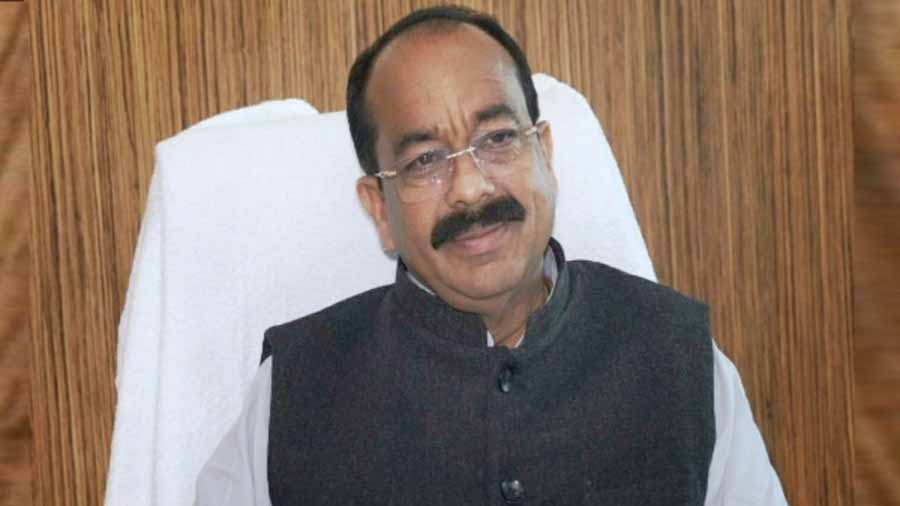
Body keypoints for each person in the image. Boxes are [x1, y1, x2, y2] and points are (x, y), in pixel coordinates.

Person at [195, 6, 788, 505]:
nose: (471, 189)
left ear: (545, 153)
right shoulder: (295, 392)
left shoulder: (679, 358)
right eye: (425, 160)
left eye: (498, 139)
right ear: (380, 208)